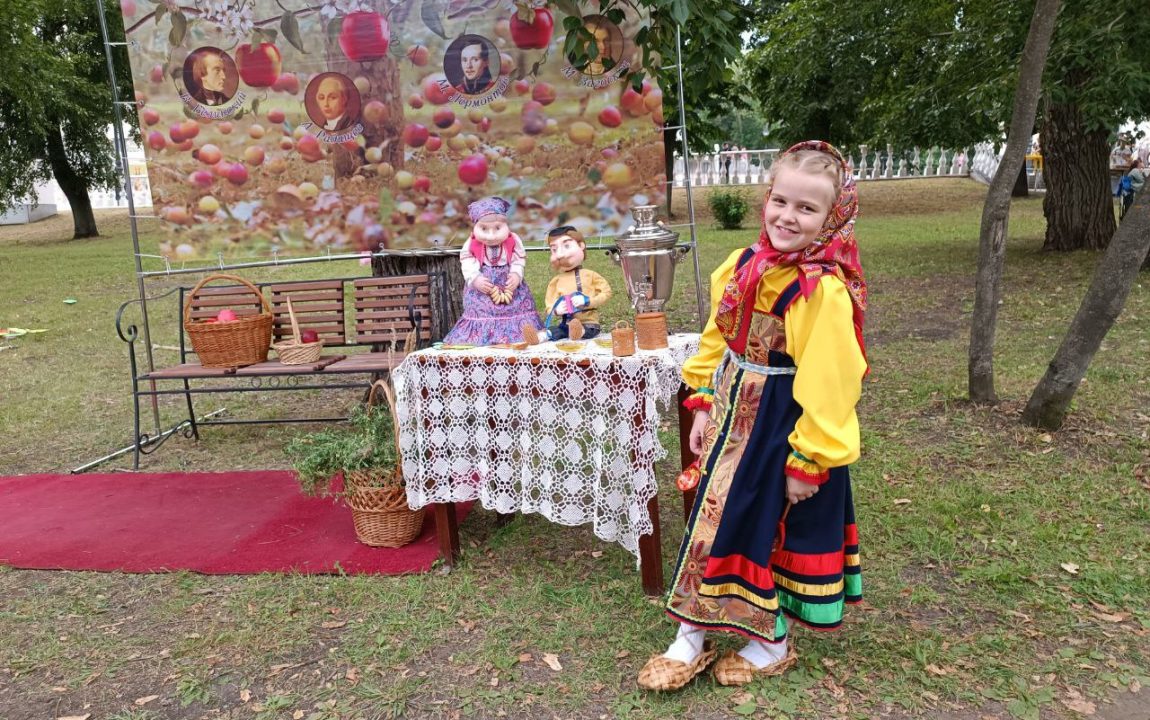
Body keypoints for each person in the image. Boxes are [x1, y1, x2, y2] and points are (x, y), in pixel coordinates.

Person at [636, 141, 868, 691]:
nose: (788, 217)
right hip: (732, 415)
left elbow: (833, 383)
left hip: (779, 428)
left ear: (834, 216)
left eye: (807, 209)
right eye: (781, 201)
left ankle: (769, 641)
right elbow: (721, 339)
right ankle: (692, 633)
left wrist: (808, 459)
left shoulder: (822, 291)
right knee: (710, 522)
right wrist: (701, 401)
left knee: (763, 529)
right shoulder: (745, 265)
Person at [443, 197, 544, 345]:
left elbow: (519, 257)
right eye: (483, 229)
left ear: (505, 225)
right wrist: (475, 278)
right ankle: (482, 335)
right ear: (475, 227)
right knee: (480, 307)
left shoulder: (513, 239)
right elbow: (466, 259)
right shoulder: (471, 243)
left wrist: (516, 274)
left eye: (497, 228)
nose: (491, 236)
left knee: (518, 305)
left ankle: (521, 333)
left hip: (509, 283)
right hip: (484, 286)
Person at [522, 226, 612, 344]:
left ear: (581, 246)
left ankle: (580, 332)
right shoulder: (556, 281)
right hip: (566, 323)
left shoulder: (590, 275)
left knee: (589, 329)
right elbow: (549, 305)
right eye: (554, 250)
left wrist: (588, 301)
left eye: (567, 246)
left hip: (589, 322)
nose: (559, 255)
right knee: (556, 329)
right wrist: (556, 310)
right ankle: (540, 337)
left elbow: (607, 292)